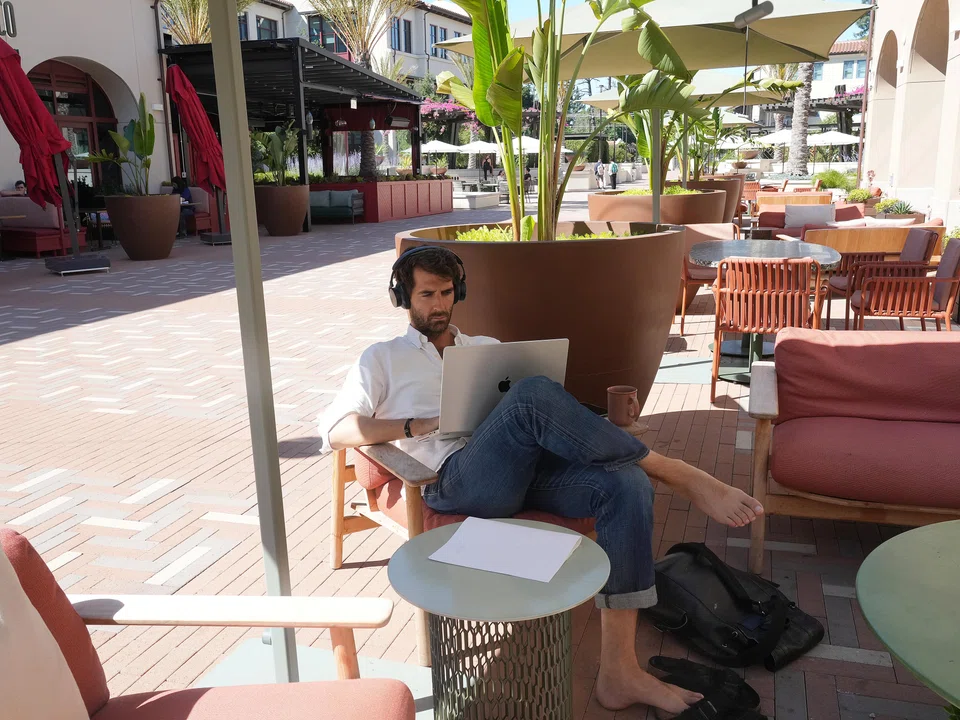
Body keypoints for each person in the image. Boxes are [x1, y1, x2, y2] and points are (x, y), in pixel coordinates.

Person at [318, 246, 764, 715]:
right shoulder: (382, 359)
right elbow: (337, 430)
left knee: (625, 484)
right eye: (427, 293)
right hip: (452, 478)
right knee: (530, 395)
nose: (439, 304)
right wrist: (415, 425)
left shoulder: (486, 350)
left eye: (447, 292)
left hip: (522, 470)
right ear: (403, 298)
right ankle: (674, 471)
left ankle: (619, 671)